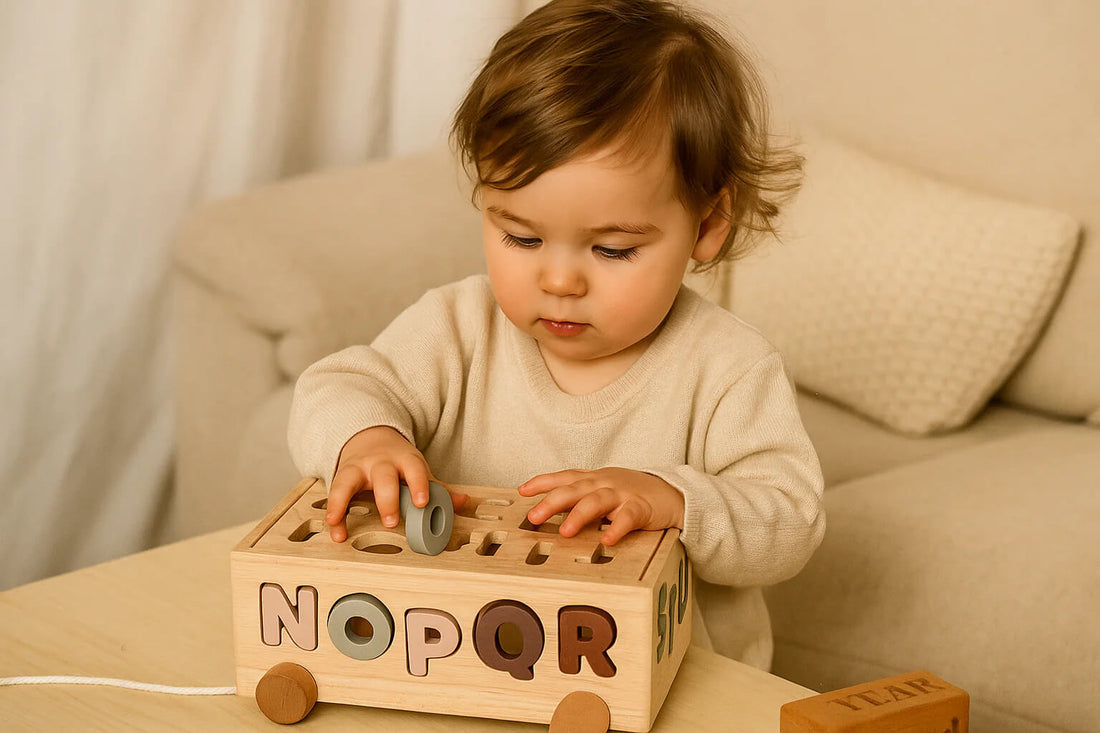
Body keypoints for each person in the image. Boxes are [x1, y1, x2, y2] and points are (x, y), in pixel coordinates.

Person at [288, 0, 824, 669]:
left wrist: (673, 498)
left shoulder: (729, 367)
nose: (560, 280)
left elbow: (791, 518)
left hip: (671, 682)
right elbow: (337, 385)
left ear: (709, 223)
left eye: (613, 249)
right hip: (466, 659)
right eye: (521, 235)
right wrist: (368, 437)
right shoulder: (458, 327)